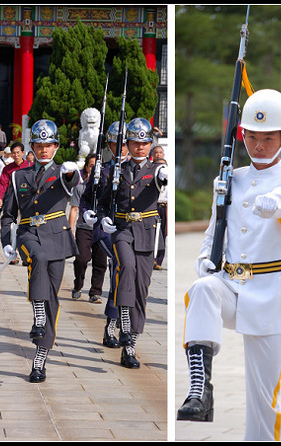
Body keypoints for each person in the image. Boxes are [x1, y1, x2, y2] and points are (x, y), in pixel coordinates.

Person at [177, 89, 281, 441]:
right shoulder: (229, 179)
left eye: (268, 138)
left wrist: (273, 201)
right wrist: (206, 257)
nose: (259, 145)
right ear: (242, 136)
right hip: (231, 285)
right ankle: (199, 388)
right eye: (252, 136)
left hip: (270, 296)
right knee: (202, 288)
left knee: (262, 399)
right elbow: (213, 231)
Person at [0, 119, 81, 383]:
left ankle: (39, 360)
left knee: (52, 300)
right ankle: (36, 316)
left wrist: (72, 172)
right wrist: (6, 242)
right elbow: (8, 215)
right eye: (39, 144)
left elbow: (74, 179)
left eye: (49, 145)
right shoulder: (18, 176)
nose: (44, 149)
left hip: (56, 238)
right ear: (32, 146)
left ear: (57, 146)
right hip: (28, 234)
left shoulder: (63, 172)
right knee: (38, 257)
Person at [96, 117, 167, 369]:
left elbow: (163, 186)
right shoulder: (118, 170)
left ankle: (130, 347)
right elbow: (103, 202)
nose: (140, 147)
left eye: (145, 143)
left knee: (141, 290)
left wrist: (165, 177)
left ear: (150, 144)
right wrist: (103, 218)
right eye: (135, 142)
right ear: (127, 143)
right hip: (123, 230)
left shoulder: (157, 171)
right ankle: (123, 325)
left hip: (147, 234)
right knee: (125, 267)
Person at [84, 121, 130, 349]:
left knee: (129, 277)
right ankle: (112, 325)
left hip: (130, 231)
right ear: (109, 145)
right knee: (119, 269)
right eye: (116, 144)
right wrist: (89, 215)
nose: (121, 148)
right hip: (105, 231)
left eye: (124, 144)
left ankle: (123, 323)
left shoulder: (138, 170)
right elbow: (86, 200)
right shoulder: (101, 170)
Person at [70, 153, 107, 304]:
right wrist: (70, 229)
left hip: (101, 229)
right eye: (92, 166)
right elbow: (74, 209)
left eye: (98, 166)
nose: (95, 169)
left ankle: (95, 292)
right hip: (84, 228)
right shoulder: (80, 188)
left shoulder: (107, 188)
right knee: (81, 259)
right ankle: (78, 285)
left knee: (100, 262)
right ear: (86, 168)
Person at [0, 142, 31, 212]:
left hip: (28, 198)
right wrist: (0, 198)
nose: (16, 155)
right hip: (13, 197)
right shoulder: (8, 168)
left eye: (18, 152)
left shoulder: (30, 166)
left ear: (23, 153)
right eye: (14, 153)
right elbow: (3, 184)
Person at [154, 157, 168, 270]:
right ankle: (151, 258)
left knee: (162, 234)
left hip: (164, 207)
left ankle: (159, 260)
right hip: (153, 206)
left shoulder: (168, 181)